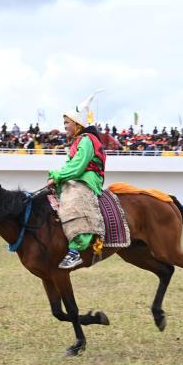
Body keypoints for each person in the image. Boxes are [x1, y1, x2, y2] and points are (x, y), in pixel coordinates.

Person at [46, 93, 106, 269]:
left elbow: (78, 167)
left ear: (78, 124)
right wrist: (56, 177)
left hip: (87, 180)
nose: (65, 126)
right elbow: (69, 166)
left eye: (67, 123)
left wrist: (57, 176)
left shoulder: (87, 140)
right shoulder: (78, 141)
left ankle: (75, 251)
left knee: (74, 200)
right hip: (77, 178)